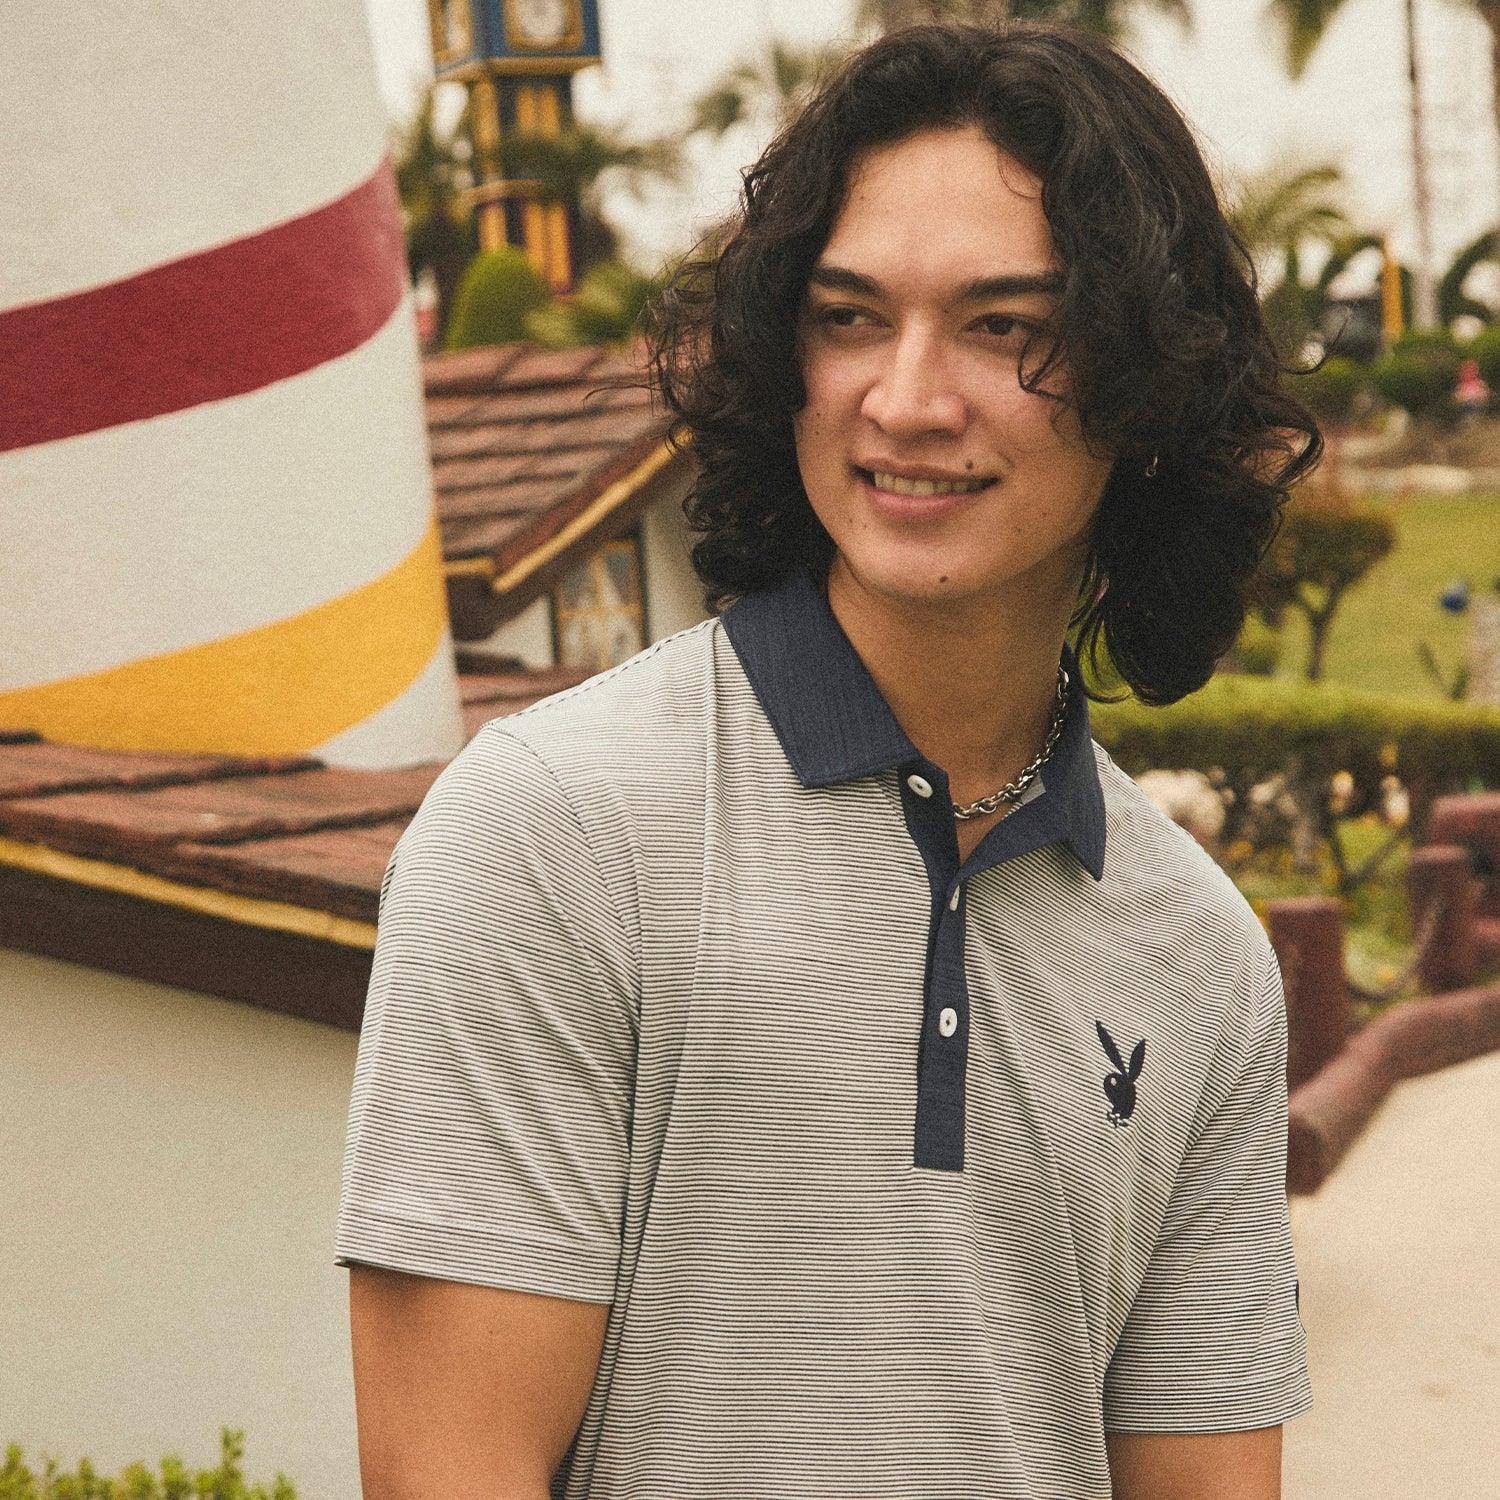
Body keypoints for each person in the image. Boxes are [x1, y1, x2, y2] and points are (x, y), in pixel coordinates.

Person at [335, 20, 1320, 1499]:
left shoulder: (1204, 955)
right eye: (850, 316)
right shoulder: (554, 831)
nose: (908, 401)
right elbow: (447, 1470)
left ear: (1148, 385)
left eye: (1009, 328)